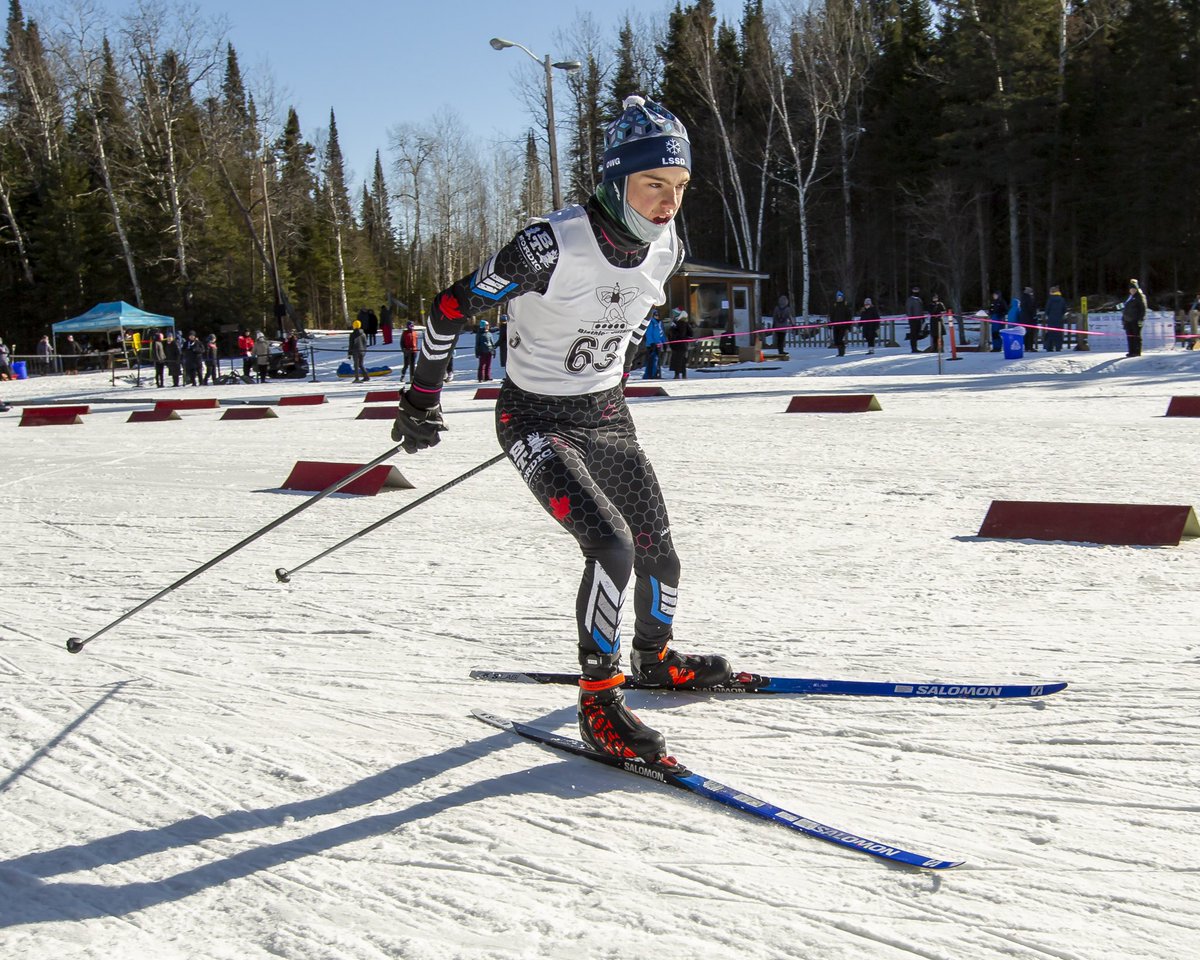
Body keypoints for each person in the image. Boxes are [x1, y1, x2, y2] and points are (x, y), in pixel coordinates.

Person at [390, 94, 730, 763]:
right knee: (611, 548)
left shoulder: (667, 245)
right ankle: (599, 704)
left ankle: (656, 659)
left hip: (603, 412)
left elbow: (623, 324)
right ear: (615, 180)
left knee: (658, 547)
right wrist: (421, 399)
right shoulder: (549, 246)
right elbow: (449, 309)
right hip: (534, 416)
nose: (668, 202)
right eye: (653, 184)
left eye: (680, 187)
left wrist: (606, 375)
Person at [1120, 279, 1147, 357]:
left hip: (1136, 320)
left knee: (1136, 336)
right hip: (1127, 320)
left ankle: (1137, 352)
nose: (1132, 290)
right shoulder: (1129, 297)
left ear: (1137, 289)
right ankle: (1131, 351)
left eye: (1134, 289)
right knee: (1130, 336)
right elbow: (1124, 307)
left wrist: (1141, 319)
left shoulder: (1140, 297)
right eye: (1131, 289)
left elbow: (1143, 309)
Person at [668, 308, 693, 379]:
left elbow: (679, 334)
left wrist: (673, 331)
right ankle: (683, 374)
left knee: (678, 360)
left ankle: (677, 374)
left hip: (678, 345)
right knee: (682, 360)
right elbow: (691, 333)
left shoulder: (679, 323)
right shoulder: (685, 323)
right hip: (682, 345)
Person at [642, 309, 666, 378]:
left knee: (657, 360)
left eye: (658, 315)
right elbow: (648, 334)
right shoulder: (651, 322)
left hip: (658, 344)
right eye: (656, 315)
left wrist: (664, 343)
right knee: (652, 360)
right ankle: (650, 375)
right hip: (651, 345)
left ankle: (655, 373)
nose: (657, 316)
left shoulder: (659, 323)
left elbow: (661, 334)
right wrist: (651, 343)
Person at [1043, 286, 1067, 351]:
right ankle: (1058, 347)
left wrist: (1049, 315)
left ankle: (1049, 347)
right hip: (1059, 319)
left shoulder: (1050, 299)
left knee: (1050, 333)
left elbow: (1047, 309)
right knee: (1058, 333)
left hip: (1051, 319)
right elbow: (1064, 309)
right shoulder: (1062, 299)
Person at [828, 291, 851, 357]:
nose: (839, 298)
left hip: (843, 325)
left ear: (843, 297)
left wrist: (848, 325)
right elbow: (832, 315)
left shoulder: (845, 305)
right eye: (838, 297)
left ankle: (841, 352)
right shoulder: (834, 305)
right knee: (836, 340)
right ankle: (840, 351)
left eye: (840, 297)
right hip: (836, 325)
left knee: (839, 339)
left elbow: (848, 316)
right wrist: (831, 324)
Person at [905, 285, 925, 353]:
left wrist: (922, 318)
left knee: (917, 333)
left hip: (919, 319)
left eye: (917, 291)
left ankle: (916, 347)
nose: (916, 292)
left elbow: (921, 309)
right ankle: (913, 348)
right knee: (913, 333)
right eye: (915, 291)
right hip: (913, 319)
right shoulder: (910, 300)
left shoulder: (919, 299)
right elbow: (909, 309)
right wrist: (911, 318)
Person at [1019, 286, 1038, 351]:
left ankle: (1027, 347)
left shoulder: (1022, 298)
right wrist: (1034, 315)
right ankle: (1030, 347)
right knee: (1030, 333)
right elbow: (1031, 308)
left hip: (1024, 318)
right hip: (1029, 319)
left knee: (1026, 333)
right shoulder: (1028, 298)